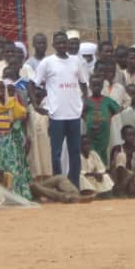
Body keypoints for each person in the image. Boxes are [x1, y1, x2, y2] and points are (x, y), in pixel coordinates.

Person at [34, 31, 88, 189]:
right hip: (56, 115)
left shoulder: (76, 61)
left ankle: (74, 186)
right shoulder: (47, 62)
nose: (62, 45)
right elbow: (33, 84)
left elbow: (84, 83)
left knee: (75, 153)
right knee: (56, 154)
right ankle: (59, 185)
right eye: (58, 43)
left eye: (64, 42)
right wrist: (37, 106)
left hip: (74, 114)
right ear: (54, 45)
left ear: (68, 43)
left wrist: (84, 101)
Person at [0, 79, 32, 200]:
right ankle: (2, 196)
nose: (0, 91)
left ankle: (16, 194)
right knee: (0, 167)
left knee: (13, 167)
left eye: (2, 88)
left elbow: (23, 113)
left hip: (9, 141)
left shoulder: (11, 103)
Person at [82, 73, 121, 165]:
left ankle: (103, 170)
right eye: (94, 85)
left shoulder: (107, 100)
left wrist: (108, 117)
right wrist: (85, 117)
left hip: (103, 133)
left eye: (99, 85)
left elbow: (118, 109)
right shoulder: (86, 101)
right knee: (90, 151)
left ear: (102, 86)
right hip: (90, 133)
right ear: (90, 86)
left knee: (102, 151)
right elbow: (80, 112)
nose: (96, 87)